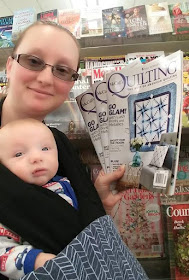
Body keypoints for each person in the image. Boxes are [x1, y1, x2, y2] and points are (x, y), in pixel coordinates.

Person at [0, 20, 126, 278]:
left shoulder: (61, 147)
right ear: (9, 66)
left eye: (62, 70)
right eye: (34, 61)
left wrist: (95, 200)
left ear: (71, 83)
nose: (46, 78)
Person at [0, 118, 80, 279]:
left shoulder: (69, 184)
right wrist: (34, 260)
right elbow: (2, 251)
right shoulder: (8, 203)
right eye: (19, 154)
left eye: (45, 148)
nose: (36, 157)